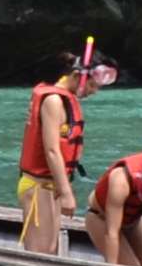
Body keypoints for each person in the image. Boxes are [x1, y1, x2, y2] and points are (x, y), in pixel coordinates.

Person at [18, 42, 113, 254]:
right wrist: (66, 192)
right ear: (78, 76)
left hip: (50, 187)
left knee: (50, 249)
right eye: (93, 86)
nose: (94, 92)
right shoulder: (53, 100)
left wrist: (61, 189)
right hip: (38, 185)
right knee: (40, 251)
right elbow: (52, 150)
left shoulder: (64, 99)